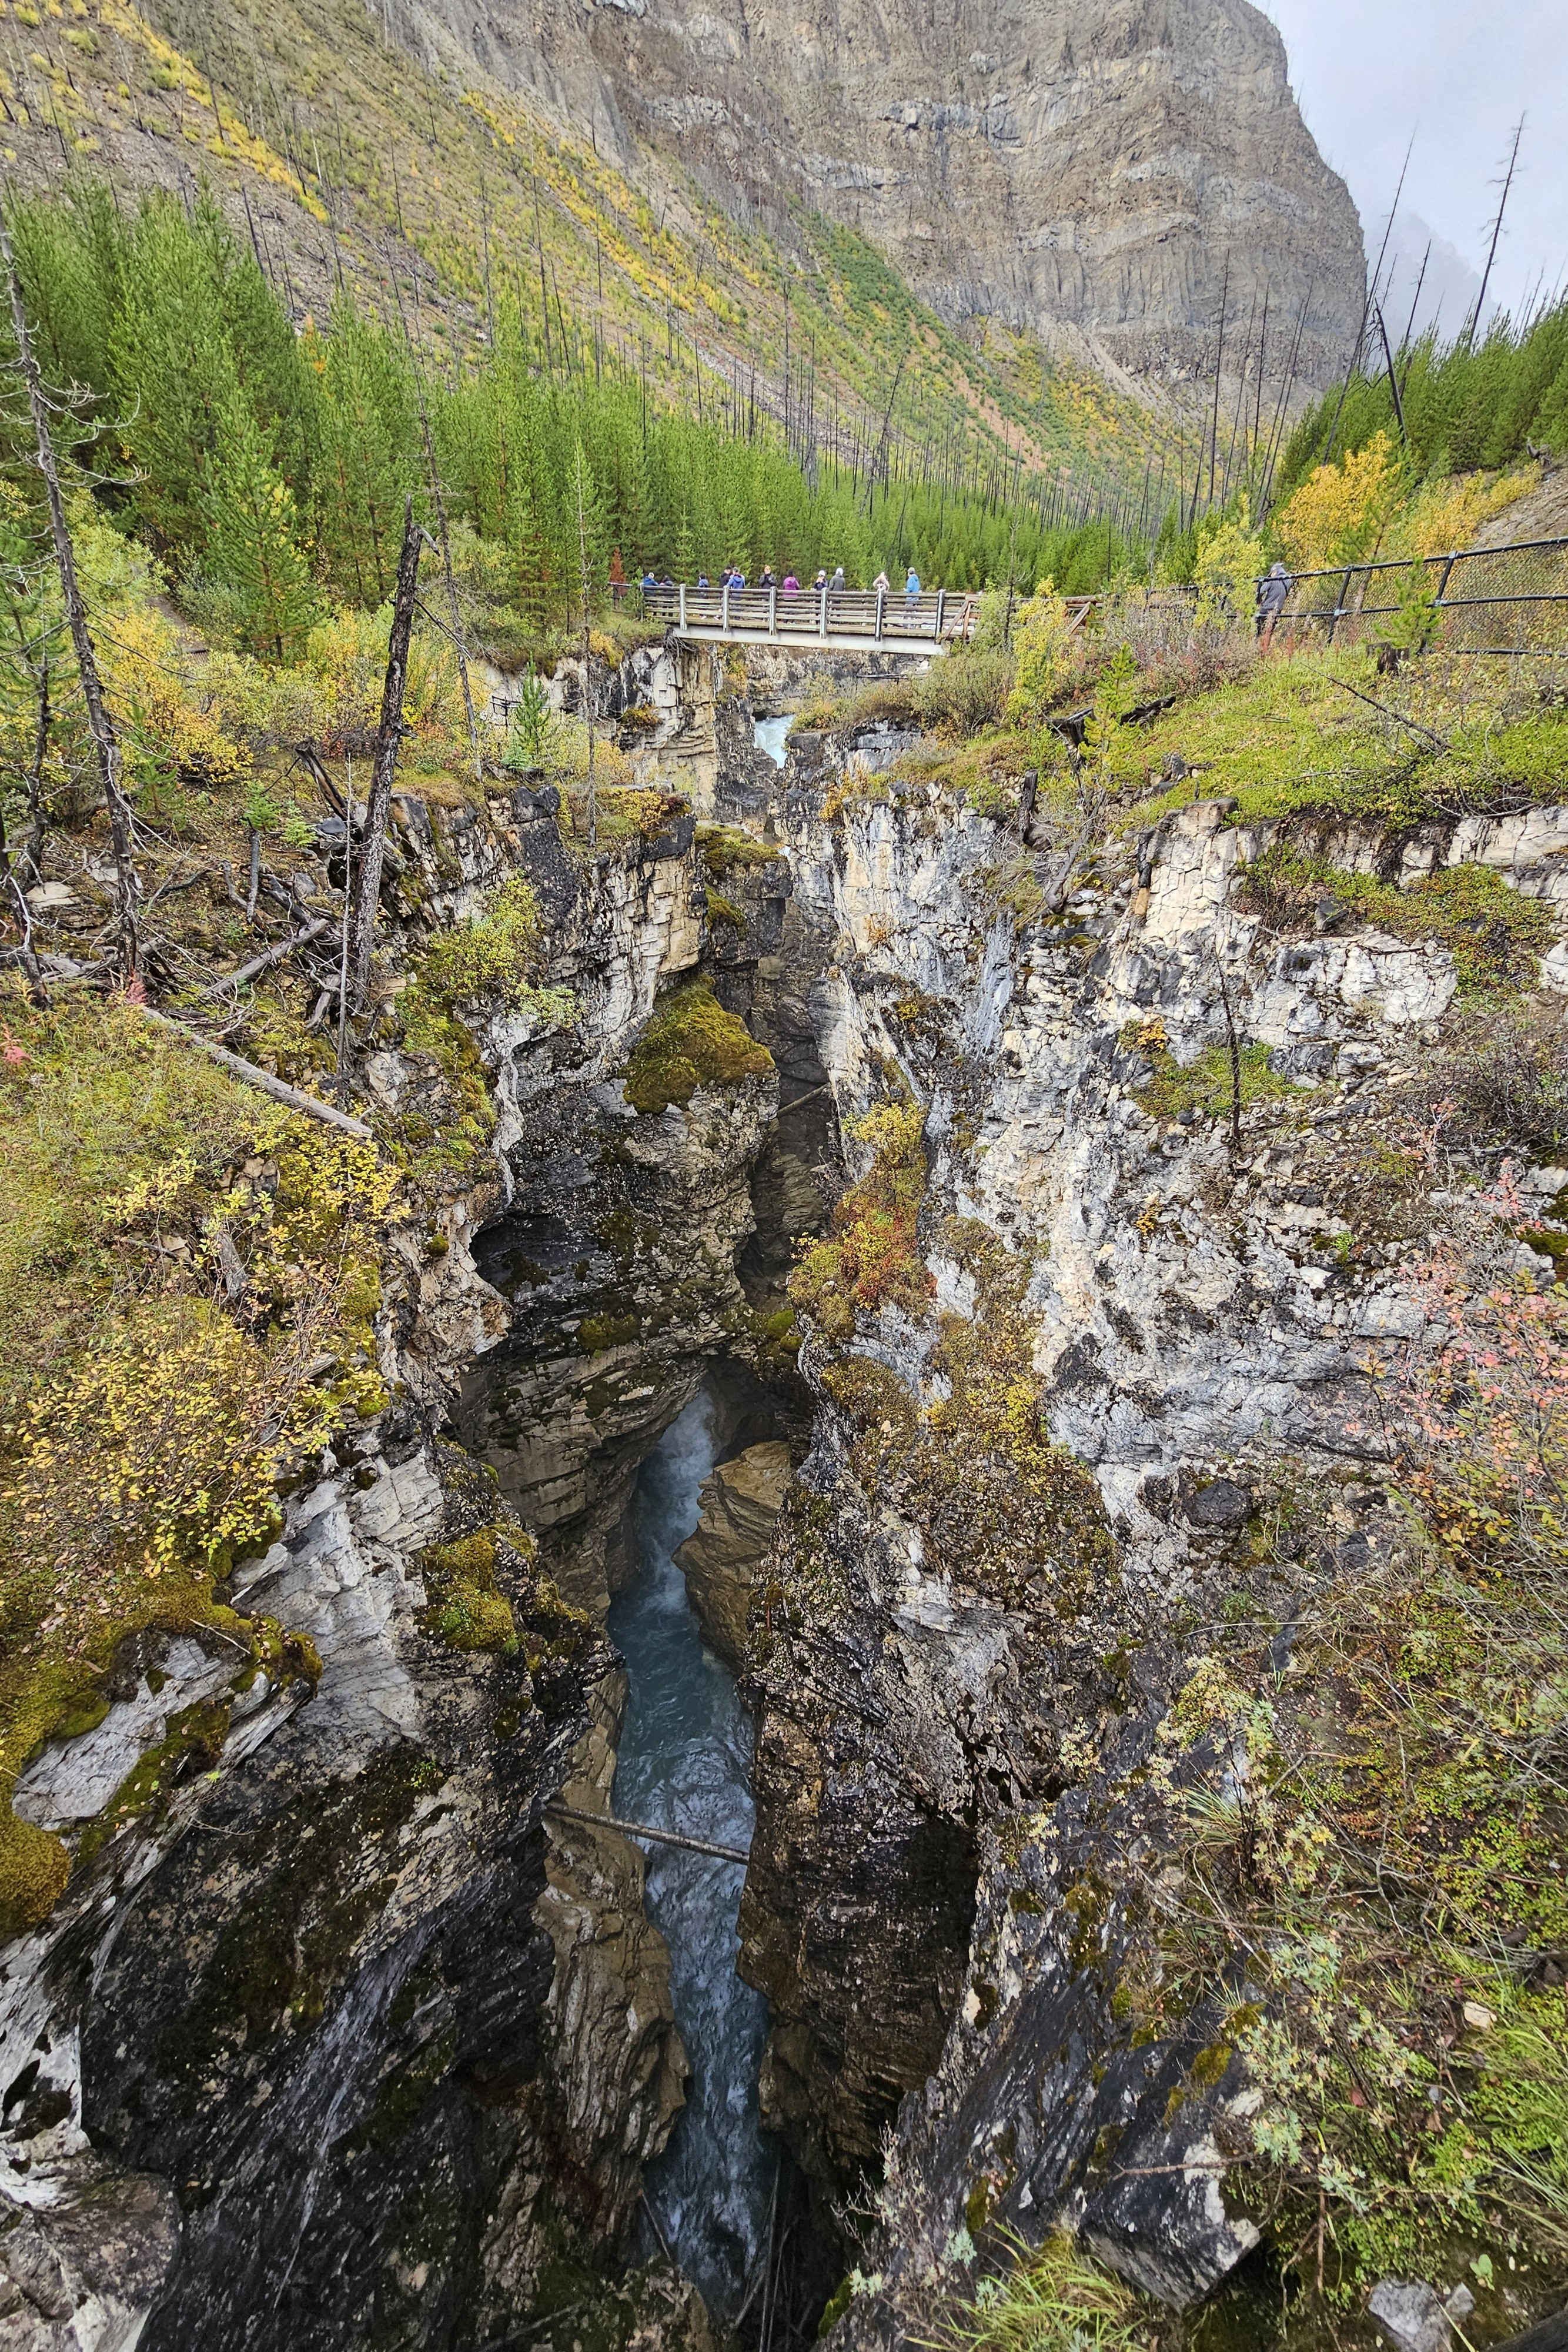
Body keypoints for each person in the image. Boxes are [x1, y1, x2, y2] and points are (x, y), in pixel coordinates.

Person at [1256, 561, 1291, 652]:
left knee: (1258, 631)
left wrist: (1259, 601)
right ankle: (1265, 649)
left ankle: (1257, 647)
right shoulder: (1288, 581)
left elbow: (1260, 591)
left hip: (1266, 609)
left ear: (1275, 572)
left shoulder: (1272, 580)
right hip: (1277, 610)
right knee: (1269, 631)